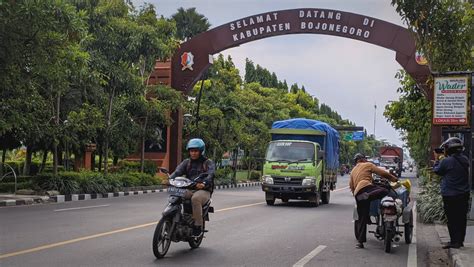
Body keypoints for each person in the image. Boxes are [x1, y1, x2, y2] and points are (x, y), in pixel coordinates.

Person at [349, 153, 398, 249]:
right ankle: (369, 196)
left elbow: (351, 186)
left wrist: (356, 194)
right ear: (363, 159)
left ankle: (360, 242)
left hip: (358, 194)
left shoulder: (353, 170)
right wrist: (394, 179)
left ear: (356, 161)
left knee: (362, 218)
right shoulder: (368, 165)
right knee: (384, 190)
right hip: (367, 189)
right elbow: (382, 173)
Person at [169, 138, 215, 237]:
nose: (193, 153)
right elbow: (177, 172)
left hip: (203, 190)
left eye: (195, 151)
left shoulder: (208, 163)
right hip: (190, 188)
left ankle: (197, 226)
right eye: (191, 151)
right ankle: (173, 217)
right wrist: (169, 179)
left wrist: (204, 183)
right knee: (176, 193)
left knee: (196, 198)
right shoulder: (187, 162)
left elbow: (210, 175)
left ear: (201, 151)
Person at [433, 137, 470, 249]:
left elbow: (437, 171)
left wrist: (437, 160)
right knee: (461, 218)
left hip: (450, 195)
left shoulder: (446, 161)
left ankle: (454, 241)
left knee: (452, 218)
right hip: (464, 194)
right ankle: (460, 241)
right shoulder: (465, 159)